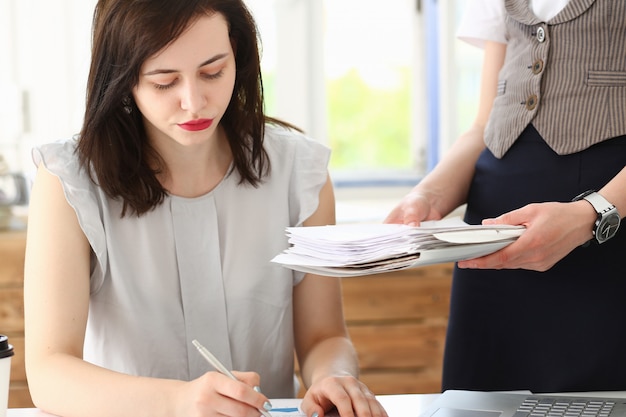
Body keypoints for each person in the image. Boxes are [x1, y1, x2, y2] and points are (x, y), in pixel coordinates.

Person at [23, 2, 388, 417]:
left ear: (237, 53)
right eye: (164, 82)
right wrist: (177, 402)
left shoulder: (298, 172)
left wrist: (333, 379)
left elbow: (323, 336)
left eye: (213, 72)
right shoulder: (68, 180)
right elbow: (50, 372)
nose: (194, 103)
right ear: (123, 79)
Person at [385, 0, 626, 393]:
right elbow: (484, 125)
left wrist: (591, 215)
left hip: (606, 245)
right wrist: (427, 195)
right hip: (492, 257)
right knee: (482, 397)